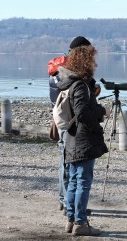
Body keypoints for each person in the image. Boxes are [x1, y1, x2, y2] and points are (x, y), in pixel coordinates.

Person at [56, 42, 108, 236]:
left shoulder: (70, 82)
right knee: (82, 181)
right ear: (85, 61)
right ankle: (80, 222)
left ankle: (72, 219)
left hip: (73, 138)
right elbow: (83, 113)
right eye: (93, 60)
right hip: (82, 139)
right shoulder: (80, 85)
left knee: (74, 181)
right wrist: (103, 110)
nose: (95, 64)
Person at [48, 36, 93, 216]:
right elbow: (80, 108)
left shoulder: (59, 71)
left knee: (66, 162)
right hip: (72, 122)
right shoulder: (72, 72)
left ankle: (66, 202)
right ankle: (70, 206)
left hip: (62, 118)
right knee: (73, 168)